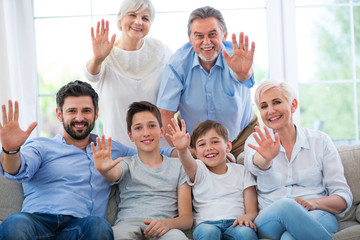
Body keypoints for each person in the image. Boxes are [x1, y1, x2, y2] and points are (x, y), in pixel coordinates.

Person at [0, 81, 175, 240]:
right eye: (71, 111)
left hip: (81, 228)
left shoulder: (109, 148)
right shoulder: (41, 146)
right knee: (14, 223)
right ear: (59, 115)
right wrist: (11, 149)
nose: (79, 118)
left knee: (99, 226)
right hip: (38, 223)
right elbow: (15, 168)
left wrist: (189, 151)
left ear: (96, 113)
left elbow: (155, 152)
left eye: (86, 111)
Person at [244, 80, 353, 240]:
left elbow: (343, 198)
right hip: (271, 219)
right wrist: (266, 159)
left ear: (293, 105)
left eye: (277, 102)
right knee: (287, 205)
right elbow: (256, 164)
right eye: (264, 106)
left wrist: (314, 203)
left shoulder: (320, 141)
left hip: (317, 214)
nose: (271, 110)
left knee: (289, 238)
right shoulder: (255, 141)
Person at [156, 6, 258, 158]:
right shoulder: (177, 64)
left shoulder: (236, 56)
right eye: (199, 36)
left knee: (249, 174)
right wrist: (184, 152)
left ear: (224, 36)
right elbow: (165, 113)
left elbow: (244, 77)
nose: (206, 42)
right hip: (197, 143)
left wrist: (243, 73)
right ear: (190, 39)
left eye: (212, 34)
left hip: (240, 137)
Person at [91, 101, 193, 240]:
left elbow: (187, 219)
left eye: (152, 126)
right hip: (128, 225)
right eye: (138, 128)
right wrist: (104, 170)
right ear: (130, 135)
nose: (146, 133)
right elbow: (114, 174)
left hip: (164, 226)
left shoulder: (178, 166)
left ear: (161, 131)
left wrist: (167, 224)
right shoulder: (126, 163)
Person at [84, 0, 172, 148]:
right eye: (132, 15)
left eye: (145, 18)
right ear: (120, 19)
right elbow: (91, 74)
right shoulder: (106, 52)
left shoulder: (161, 51)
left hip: (159, 150)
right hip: (120, 149)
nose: (138, 22)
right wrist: (98, 59)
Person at [167, 118, 258, 240]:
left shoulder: (242, 171)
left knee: (246, 233)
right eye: (202, 144)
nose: (209, 147)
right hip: (206, 224)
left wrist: (247, 217)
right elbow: (188, 163)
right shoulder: (198, 169)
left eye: (215, 142)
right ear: (196, 153)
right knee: (208, 233)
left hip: (236, 223)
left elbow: (252, 210)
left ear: (228, 146)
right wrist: (182, 150)